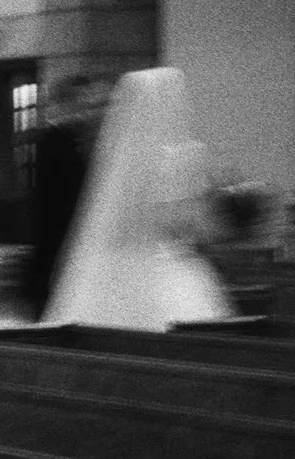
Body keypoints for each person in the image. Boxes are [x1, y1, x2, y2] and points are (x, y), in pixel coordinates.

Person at [43, 66, 233, 331]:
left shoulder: (119, 160)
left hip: (113, 269)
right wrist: (223, 225)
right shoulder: (182, 157)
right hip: (166, 269)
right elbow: (183, 225)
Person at [18, 72, 107, 321]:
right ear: (71, 104)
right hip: (57, 257)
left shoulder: (94, 141)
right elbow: (49, 210)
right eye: (91, 104)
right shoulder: (52, 143)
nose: (96, 112)